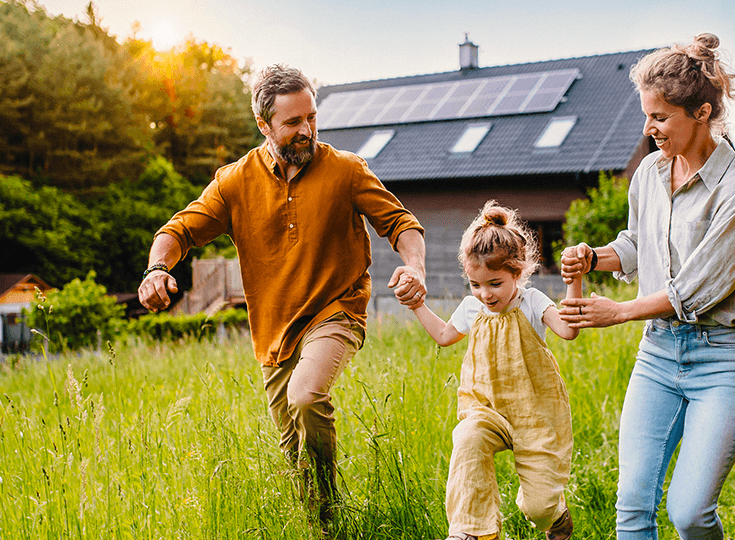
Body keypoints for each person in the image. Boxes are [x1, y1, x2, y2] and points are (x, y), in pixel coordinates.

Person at [137, 64, 427, 530]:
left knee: (307, 396)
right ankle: (326, 526)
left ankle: (332, 503)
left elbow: (401, 223)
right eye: (293, 122)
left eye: (311, 117)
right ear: (263, 125)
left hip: (337, 310)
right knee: (294, 454)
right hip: (273, 331)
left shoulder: (347, 170)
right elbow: (179, 230)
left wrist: (414, 266)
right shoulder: (235, 182)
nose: (306, 130)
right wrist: (156, 268)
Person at [558, 34, 735, 540]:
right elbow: (637, 245)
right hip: (658, 354)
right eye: (646, 115)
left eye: (660, 118)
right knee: (632, 507)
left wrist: (620, 311)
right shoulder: (649, 174)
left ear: (700, 112)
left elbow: (698, 289)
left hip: (725, 359)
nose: (649, 129)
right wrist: (594, 256)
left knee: (690, 513)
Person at [400, 201, 580, 540]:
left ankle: (555, 516)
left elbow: (568, 331)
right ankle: (472, 531)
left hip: (535, 414)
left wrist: (574, 282)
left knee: (537, 509)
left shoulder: (532, 302)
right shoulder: (472, 308)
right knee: (466, 437)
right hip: (486, 410)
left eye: (494, 284)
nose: (485, 294)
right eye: (475, 284)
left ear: (518, 272)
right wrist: (416, 305)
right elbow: (443, 336)